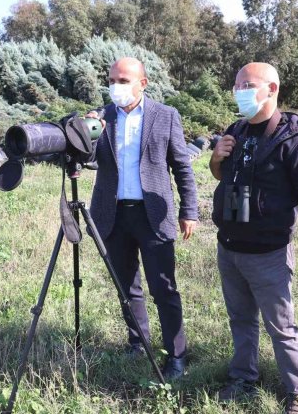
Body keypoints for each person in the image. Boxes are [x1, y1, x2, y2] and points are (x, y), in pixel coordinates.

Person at [209, 62, 298, 414]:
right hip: (229, 246)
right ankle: (242, 377)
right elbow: (221, 175)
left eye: (247, 84)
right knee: (241, 319)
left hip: (268, 254)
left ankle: (297, 393)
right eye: (236, 85)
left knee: (281, 327)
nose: (239, 91)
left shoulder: (295, 140)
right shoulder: (237, 130)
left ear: (272, 89)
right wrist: (216, 158)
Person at [86, 57, 198, 379]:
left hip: (152, 215)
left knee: (163, 288)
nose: (115, 86)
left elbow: (181, 166)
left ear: (143, 83)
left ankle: (176, 355)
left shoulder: (165, 116)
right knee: (127, 287)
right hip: (112, 214)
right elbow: (87, 158)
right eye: (112, 80)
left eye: (123, 80)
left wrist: (189, 210)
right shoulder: (103, 116)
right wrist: (88, 133)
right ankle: (138, 342)